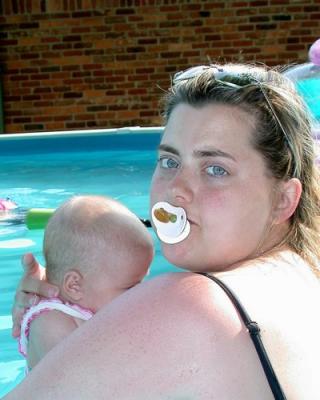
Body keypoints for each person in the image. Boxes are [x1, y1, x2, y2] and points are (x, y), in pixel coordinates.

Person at [6, 63, 320, 399]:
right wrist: (72, 313)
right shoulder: (304, 273)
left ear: (284, 199)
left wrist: (44, 358)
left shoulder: (192, 303)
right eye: (170, 162)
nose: (176, 189)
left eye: (215, 169)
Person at [18, 195, 153, 370]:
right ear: (74, 285)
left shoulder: (96, 307)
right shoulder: (52, 323)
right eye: (130, 287)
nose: (140, 293)